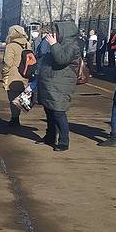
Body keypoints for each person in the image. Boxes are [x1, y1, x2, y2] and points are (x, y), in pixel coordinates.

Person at [36, 21, 81, 152]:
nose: (54, 34)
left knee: (59, 112)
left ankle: (63, 141)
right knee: (49, 111)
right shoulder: (59, 44)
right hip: (50, 83)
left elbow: (61, 59)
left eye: (57, 31)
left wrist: (54, 44)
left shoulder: (72, 46)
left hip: (61, 85)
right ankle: (50, 136)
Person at [2, 25, 30, 127]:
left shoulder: (11, 46)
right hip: (25, 75)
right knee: (20, 98)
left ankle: (15, 119)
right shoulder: (27, 44)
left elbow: (7, 63)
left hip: (13, 75)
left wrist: (4, 74)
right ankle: (16, 117)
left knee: (13, 99)